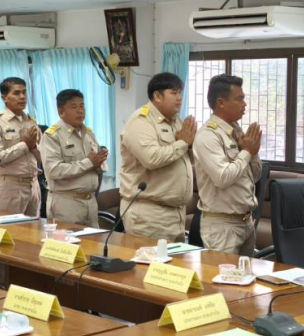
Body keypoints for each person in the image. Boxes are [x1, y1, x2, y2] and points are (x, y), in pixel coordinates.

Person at [118, 72, 196, 241]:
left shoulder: (175, 121)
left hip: (175, 213)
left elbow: (181, 155)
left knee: (173, 267)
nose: (179, 98)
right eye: (174, 93)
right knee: (149, 266)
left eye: (180, 93)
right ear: (157, 96)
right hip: (149, 214)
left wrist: (189, 146)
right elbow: (151, 158)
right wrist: (183, 143)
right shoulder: (141, 121)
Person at [193, 74, 262, 255]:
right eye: (239, 99)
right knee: (222, 281)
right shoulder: (208, 135)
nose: (244, 104)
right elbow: (222, 178)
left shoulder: (236, 131)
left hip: (246, 222)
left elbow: (254, 176)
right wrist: (246, 152)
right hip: (222, 226)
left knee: (246, 280)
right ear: (221, 102)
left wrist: (252, 153)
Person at [41, 89, 107, 226]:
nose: (80, 111)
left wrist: (100, 162)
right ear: (61, 112)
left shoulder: (88, 133)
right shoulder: (52, 135)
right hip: (66, 202)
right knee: (67, 245)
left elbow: (96, 166)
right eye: (74, 107)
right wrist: (89, 163)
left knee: (94, 245)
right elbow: (54, 170)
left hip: (91, 201)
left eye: (82, 106)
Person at [0, 76, 42, 216]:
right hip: (10, 186)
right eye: (16, 93)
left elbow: (43, 157)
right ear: (4, 97)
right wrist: (24, 145)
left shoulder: (31, 122)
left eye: (24, 92)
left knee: (33, 233)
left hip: (34, 185)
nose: (22, 97)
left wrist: (33, 147)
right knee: (9, 232)